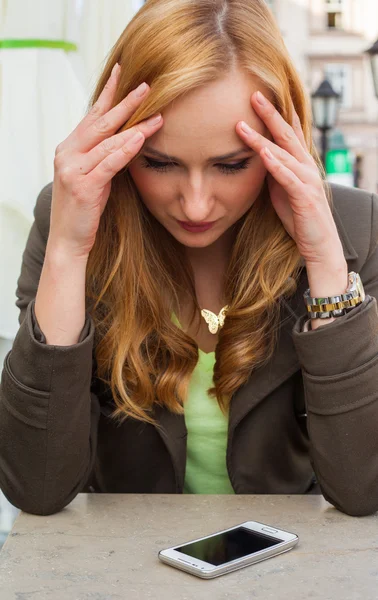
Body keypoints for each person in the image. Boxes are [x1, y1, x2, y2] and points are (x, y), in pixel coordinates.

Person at [0, 0, 377, 517]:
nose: (196, 204)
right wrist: (67, 252)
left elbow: (363, 489)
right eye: (159, 163)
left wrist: (325, 263)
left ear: (278, 145)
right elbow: (37, 487)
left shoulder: (356, 228)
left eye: (230, 165)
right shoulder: (72, 215)